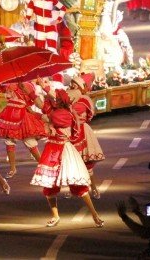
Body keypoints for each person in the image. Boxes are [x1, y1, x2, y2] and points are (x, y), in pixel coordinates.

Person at [31, 88, 103, 228]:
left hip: (62, 150)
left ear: (61, 102)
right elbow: (43, 107)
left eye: (56, 99)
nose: (54, 100)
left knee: (79, 185)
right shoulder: (63, 111)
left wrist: (33, 110)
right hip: (53, 149)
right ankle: (55, 215)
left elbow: (45, 111)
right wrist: (32, 93)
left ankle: (94, 214)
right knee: (49, 185)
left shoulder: (62, 114)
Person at [0, 82, 45, 179]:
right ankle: (12, 168)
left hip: (23, 118)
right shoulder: (8, 85)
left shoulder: (27, 85)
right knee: (9, 142)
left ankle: (43, 168)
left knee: (30, 142)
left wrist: (24, 93)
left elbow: (33, 99)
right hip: (9, 116)